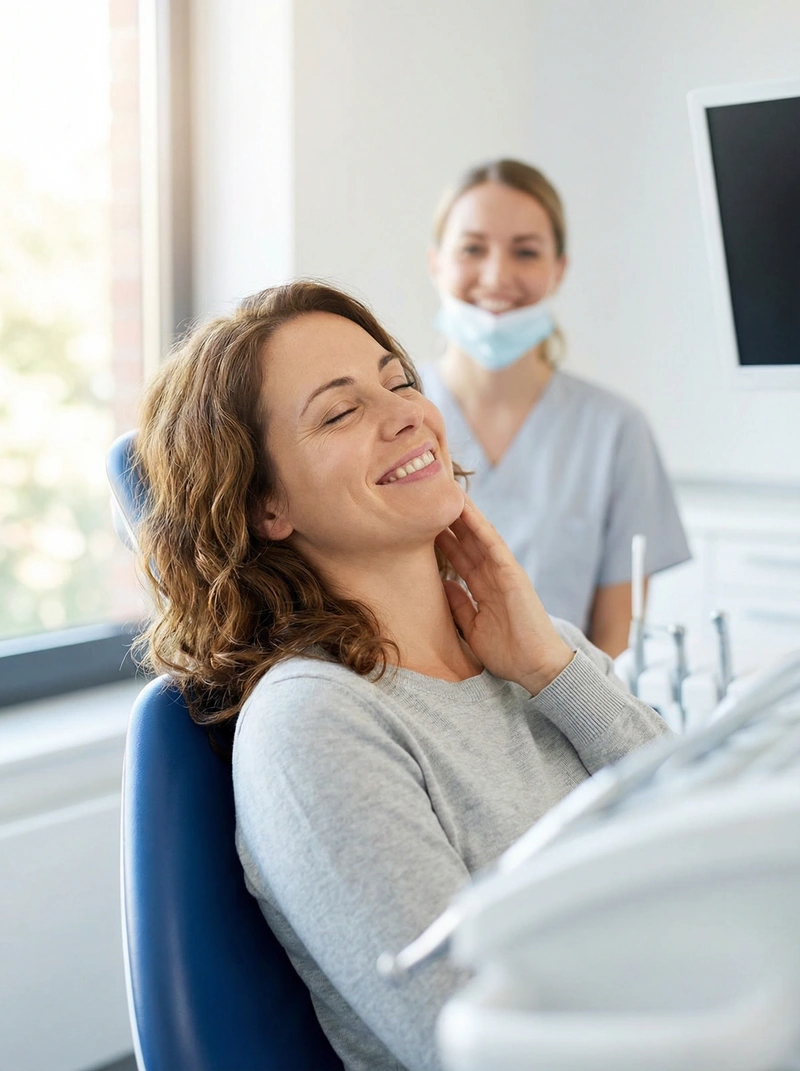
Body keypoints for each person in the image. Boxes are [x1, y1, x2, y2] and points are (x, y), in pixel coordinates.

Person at [135, 280, 671, 1071]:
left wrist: (554, 670)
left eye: (400, 380)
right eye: (340, 411)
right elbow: (486, 1047)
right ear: (267, 504)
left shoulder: (541, 652)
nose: (405, 415)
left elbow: (705, 831)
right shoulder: (313, 723)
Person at [424, 158, 691, 657]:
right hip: (417, 723)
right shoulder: (396, 420)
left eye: (525, 251)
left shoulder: (614, 430)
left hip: (562, 720)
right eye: (472, 248)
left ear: (558, 270)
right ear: (436, 261)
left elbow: (617, 643)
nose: (497, 274)